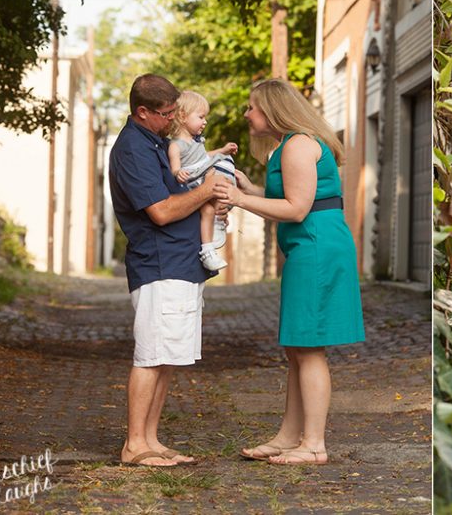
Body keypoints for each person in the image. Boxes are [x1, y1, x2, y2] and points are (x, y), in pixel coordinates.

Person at [216, 78, 365, 465]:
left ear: (273, 109)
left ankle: (313, 444)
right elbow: (296, 198)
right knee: (298, 345)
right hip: (312, 246)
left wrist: (240, 198)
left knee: (309, 346)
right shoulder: (289, 145)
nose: (247, 114)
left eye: (253, 106)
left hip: (316, 249)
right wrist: (253, 189)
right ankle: (288, 437)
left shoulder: (298, 145)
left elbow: (297, 209)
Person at [108, 74, 227, 468]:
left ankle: (152, 439)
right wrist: (207, 191)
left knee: (168, 356)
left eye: (176, 111)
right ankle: (134, 445)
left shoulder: (157, 141)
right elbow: (160, 212)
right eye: (166, 113)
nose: (172, 119)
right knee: (151, 355)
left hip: (181, 260)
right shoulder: (133, 150)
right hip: (159, 264)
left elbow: (179, 195)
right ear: (142, 112)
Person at [167, 90, 238, 272]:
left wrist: (221, 150)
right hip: (195, 180)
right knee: (206, 209)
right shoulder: (175, 145)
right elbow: (175, 167)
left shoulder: (195, 141)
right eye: (201, 116)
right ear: (183, 116)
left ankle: (219, 219)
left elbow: (204, 157)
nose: (205, 121)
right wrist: (178, 172)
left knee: (226, 172)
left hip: (204, 172)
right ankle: (207, 251)